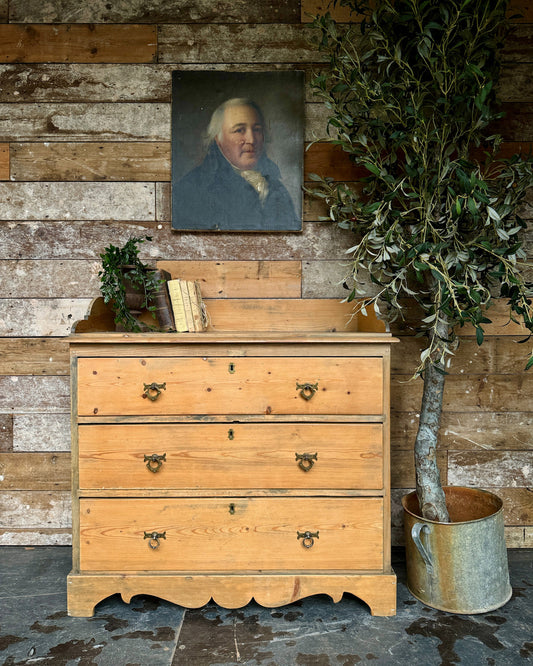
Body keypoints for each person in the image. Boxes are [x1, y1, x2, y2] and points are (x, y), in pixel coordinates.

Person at [172, 98, 300, 231]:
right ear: (218, 138)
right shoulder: (189, 190)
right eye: (239, 130)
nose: (251, 139)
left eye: (257, 129)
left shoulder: (275, 186)